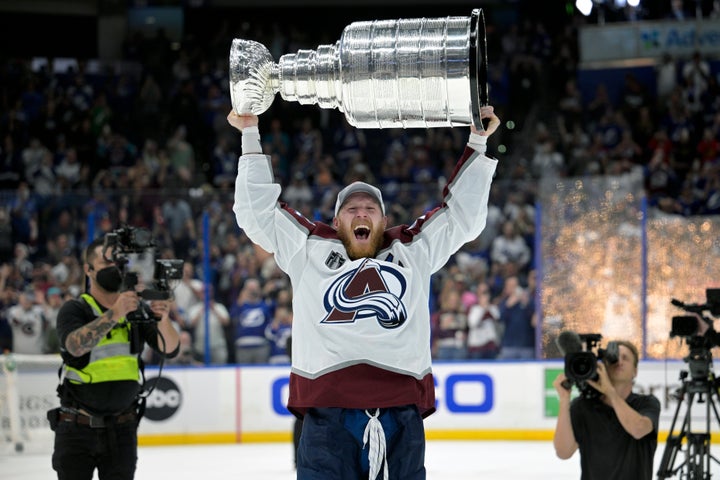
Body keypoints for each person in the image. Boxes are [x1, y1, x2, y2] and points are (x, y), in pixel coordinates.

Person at [229, 104, 501, 480]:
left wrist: (478, 140)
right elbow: (256, 213)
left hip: (400, 415)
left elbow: (462, 218)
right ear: (336, 221)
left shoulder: (412, 249)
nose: (361, 213)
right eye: (352, 208)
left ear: (384, 222)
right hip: (327, 418)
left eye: (370, 208)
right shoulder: (308, 248)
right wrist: (249, 133)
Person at [49, 235, 180, 480]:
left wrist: (163, 318)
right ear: (89, 270)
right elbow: (74, 347)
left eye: (118, 262)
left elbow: (169, 349)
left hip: (122, 429)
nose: (114, 268)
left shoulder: (137, 310)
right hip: (78, 428)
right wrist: (116, 312)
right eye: (106, 262)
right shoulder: (76, 309)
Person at [552, 340, 660, 480]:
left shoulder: (646, 403)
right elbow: (563, 452)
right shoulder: (583, 406)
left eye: (625, 358)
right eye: (614, 358)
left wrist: (610, 393)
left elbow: (638, 430)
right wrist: (564, 399)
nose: (619, 362)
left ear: (635, 371)